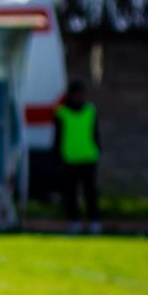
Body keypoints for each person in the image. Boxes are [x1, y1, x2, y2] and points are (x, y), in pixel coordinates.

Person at [52, 80, 102, 232]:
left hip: (88, 157)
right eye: (76, 94)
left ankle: (94, 221)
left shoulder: (90, 111)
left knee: (90, 193)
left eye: (81, 94)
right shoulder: (62, 113)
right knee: (71, 193)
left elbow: (95, 133)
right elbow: (57, 137)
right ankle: (74, 222)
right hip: (69, 159)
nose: (79, 97)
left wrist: (98, 150)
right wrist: (57, 157)